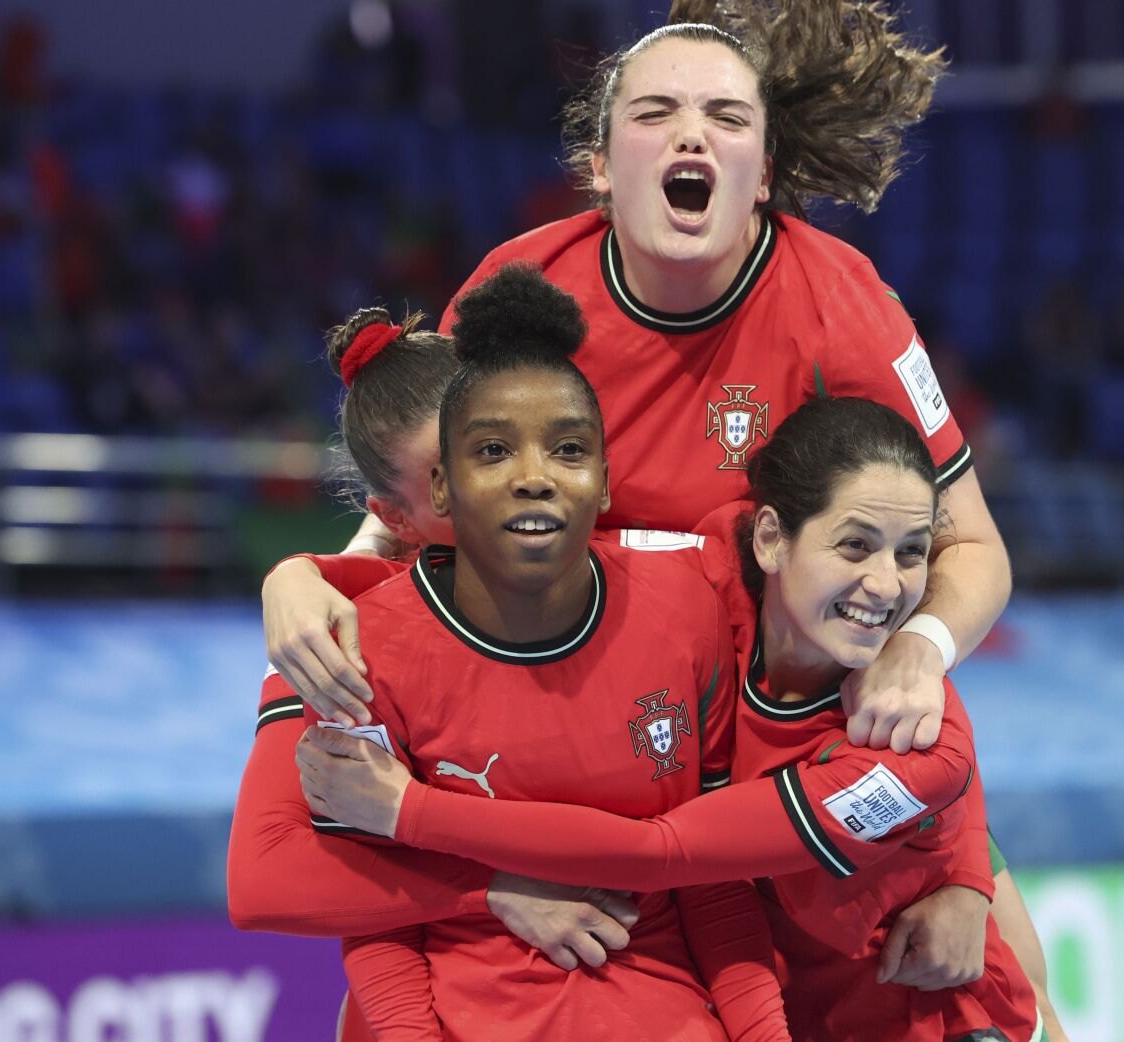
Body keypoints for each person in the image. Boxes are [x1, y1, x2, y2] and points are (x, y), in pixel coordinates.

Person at [262, 2, 1059, 1015]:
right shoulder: (519, 297)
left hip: (787, 770)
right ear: (597, 164)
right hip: (586, 781)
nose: (692, 133)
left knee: (1018, 988)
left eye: (727, 116)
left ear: (763, 174)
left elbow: (971, 548)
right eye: (656, 112)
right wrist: (306, 576)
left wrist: (922, 656)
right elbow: (423, 509)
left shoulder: (844, 305)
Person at [302, 394, 1041, 1042]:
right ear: (771, 538)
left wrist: (408, 812)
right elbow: (502, 541)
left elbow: (666, 854)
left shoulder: (919, 748)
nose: (887, 584)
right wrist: (303, 581)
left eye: (913, 554)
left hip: (927, 1018)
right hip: (769, 1003)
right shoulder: (691, 582)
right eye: (855, 545)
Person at [229, 278, 785, 1041]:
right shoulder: (337, 635)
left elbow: (712, 864)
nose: (526, 480)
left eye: (547, 444)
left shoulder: (675, 593)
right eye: (483, 455)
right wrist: (491, 888)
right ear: (407, 507)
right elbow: (268, 878)